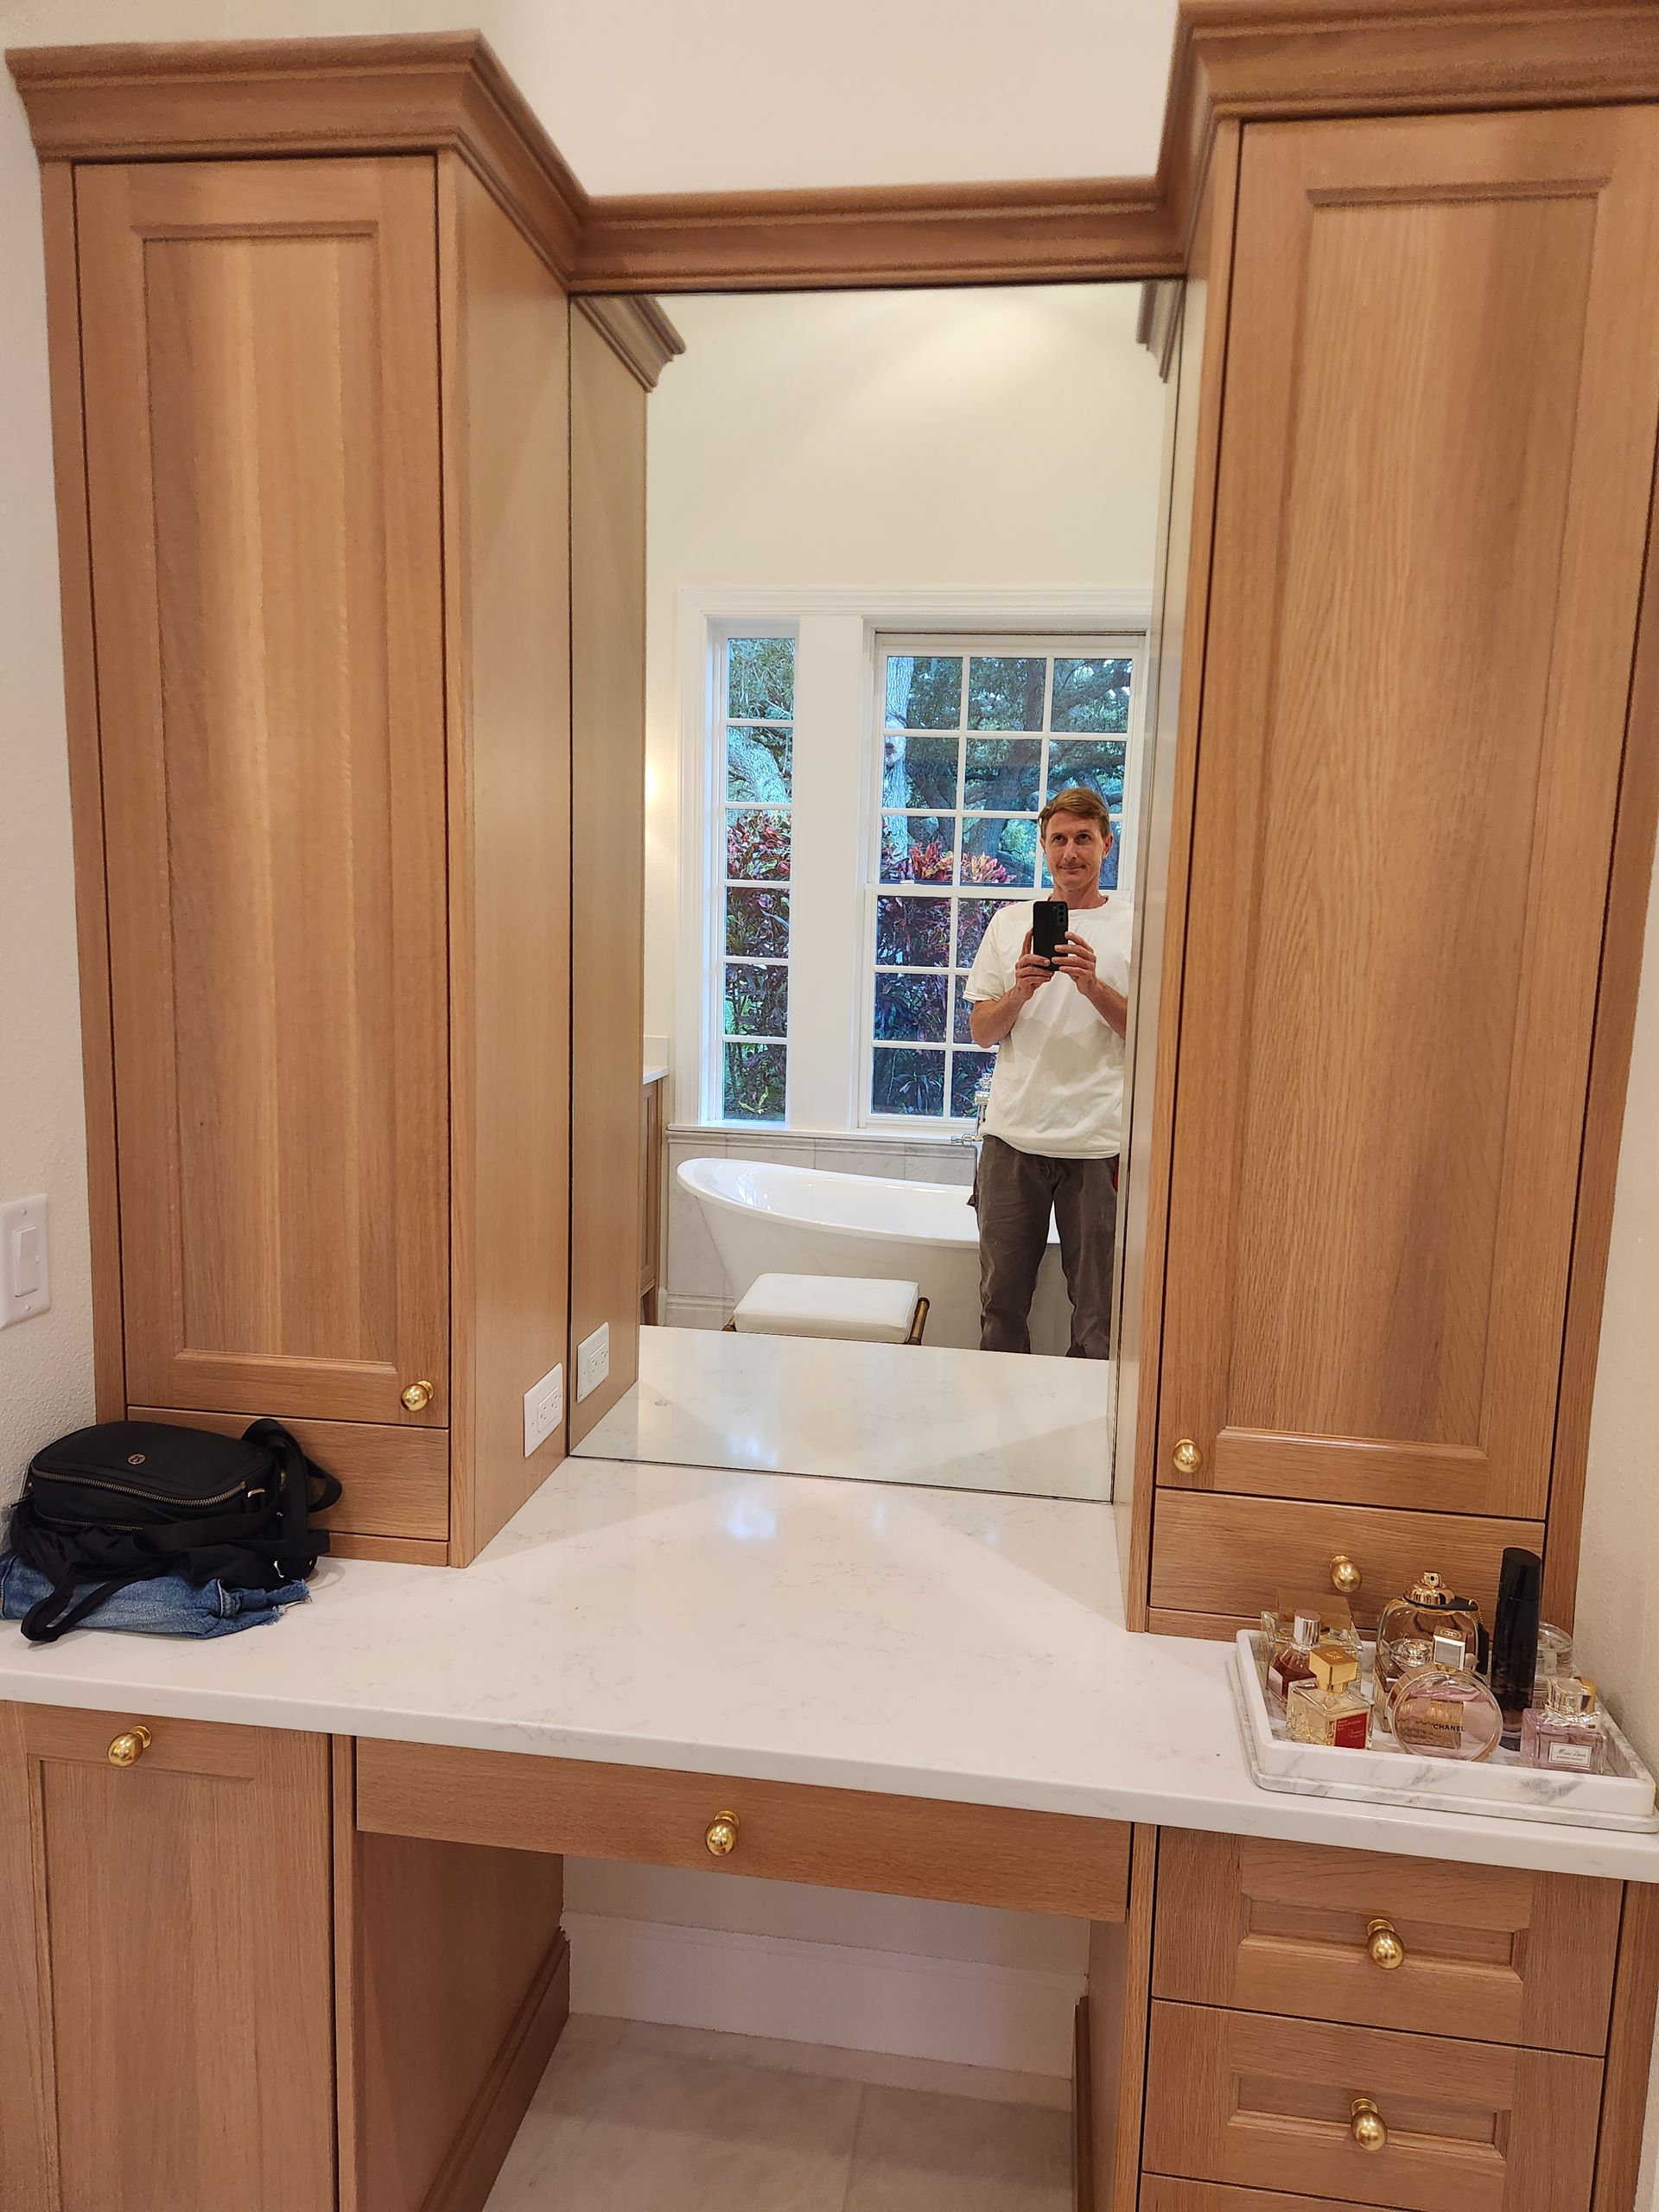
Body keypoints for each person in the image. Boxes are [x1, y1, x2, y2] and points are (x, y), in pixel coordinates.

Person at [964, 787, 1131, 1357]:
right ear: (1042, 848)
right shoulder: (1011, 925)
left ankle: (1084, 1440)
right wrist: (1021, 992)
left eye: (1084, 838)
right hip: (1013, 1139)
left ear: (1106, 844)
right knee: (1001, 1306)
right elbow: (983, 1031)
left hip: (1098, 1142)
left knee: (1099, 1318)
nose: (1070, 853)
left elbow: (1152, 1037)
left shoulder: (1137, 923)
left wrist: (1092, 986)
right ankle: (1000, 1436)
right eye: (1058, 840)